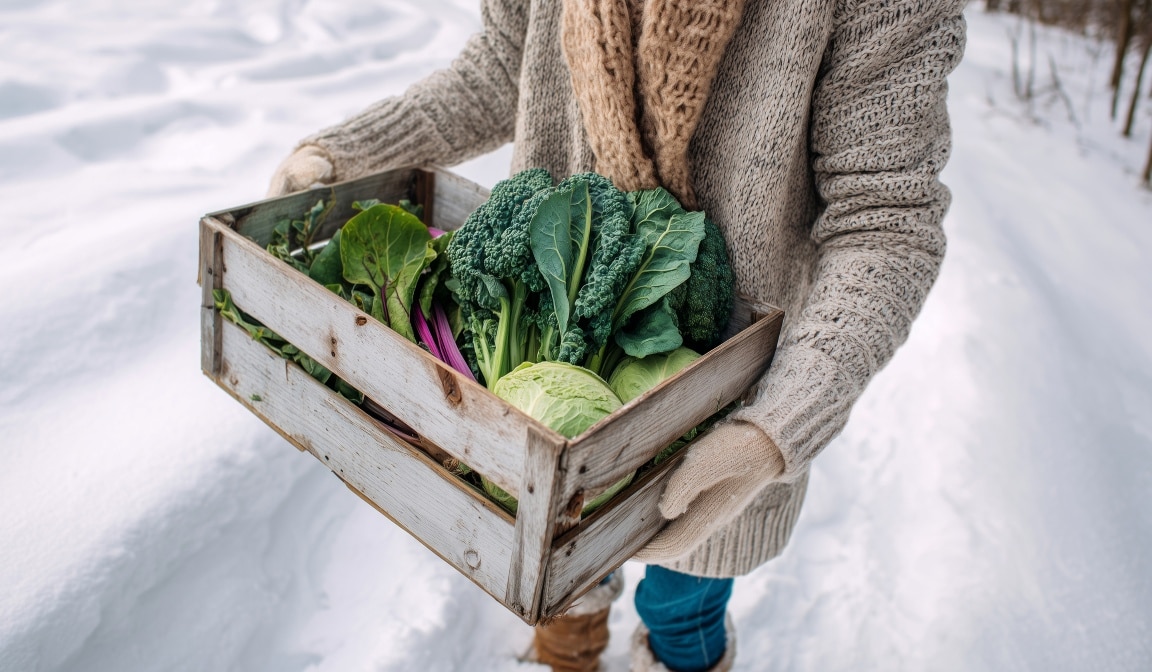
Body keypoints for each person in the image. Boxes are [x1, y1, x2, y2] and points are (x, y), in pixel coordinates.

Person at [268, 0, 967, 669]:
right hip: (539, 355)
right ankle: (567, 658)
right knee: (558, 573)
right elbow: (500, 65)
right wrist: (346, 152)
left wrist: (776, 429)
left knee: (680, 601)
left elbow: (886, 218)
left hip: (714, 405)